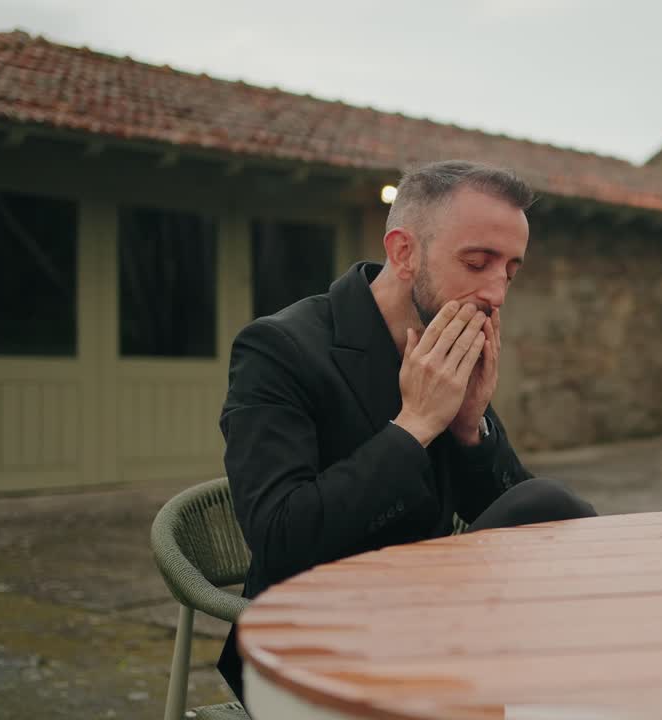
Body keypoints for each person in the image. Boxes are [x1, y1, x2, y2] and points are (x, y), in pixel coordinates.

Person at [215, 160, 596, 702]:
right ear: (403, 252)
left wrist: (469, 429)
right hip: (304, 648)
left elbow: (516, 517)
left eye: (510, 271)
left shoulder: (450, 344)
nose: (496, 294)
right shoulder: (278, 350)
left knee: (550, 509)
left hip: (436, 636)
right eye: (476, 263)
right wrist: (413, 426)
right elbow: (280, 539)